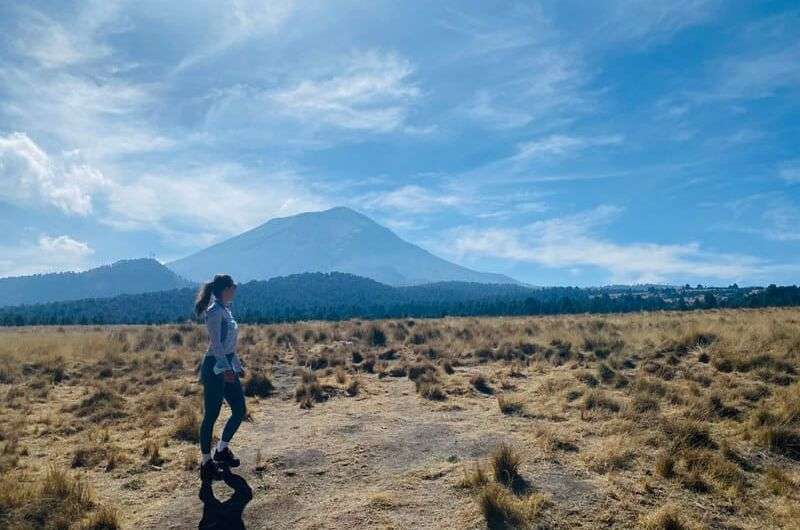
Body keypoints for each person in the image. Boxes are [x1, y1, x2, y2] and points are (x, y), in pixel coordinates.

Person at [194, 274, 246, 481]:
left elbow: (229, 345)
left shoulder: (226, 309)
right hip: (215, 368)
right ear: (225, 289)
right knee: (211, 415)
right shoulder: (214, 312)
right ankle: (206, 462)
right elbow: (215, 344)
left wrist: (237, 366)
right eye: (233, 286)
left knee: (239, 409)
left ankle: (222, 450)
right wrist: (225, 368)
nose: (235, 288)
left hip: (227, 366)